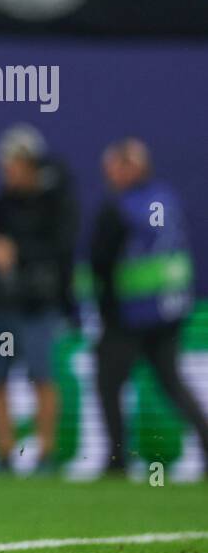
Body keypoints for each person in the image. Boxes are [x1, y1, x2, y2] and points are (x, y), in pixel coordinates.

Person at [0, 124, 78, 474]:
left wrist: (16, 253)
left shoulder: (56, 201)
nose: (7, 171)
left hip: (39, 306)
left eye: (13, 164)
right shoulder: (1, 204)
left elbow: (62, 251)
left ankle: (46, 454)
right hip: (3, 305)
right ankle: (4, 454)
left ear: (30, 163)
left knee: (41, 376)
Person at [90, 138, 208, 476]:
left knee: (109, 383)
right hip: (168, 313)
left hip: (128, 317)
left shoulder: (119, 208)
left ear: (131, 167)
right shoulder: (166, 200)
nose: (109, 174)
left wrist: (102, 311)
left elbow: (102, 264)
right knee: (172, 383)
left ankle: (117, 461)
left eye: (114, 166)